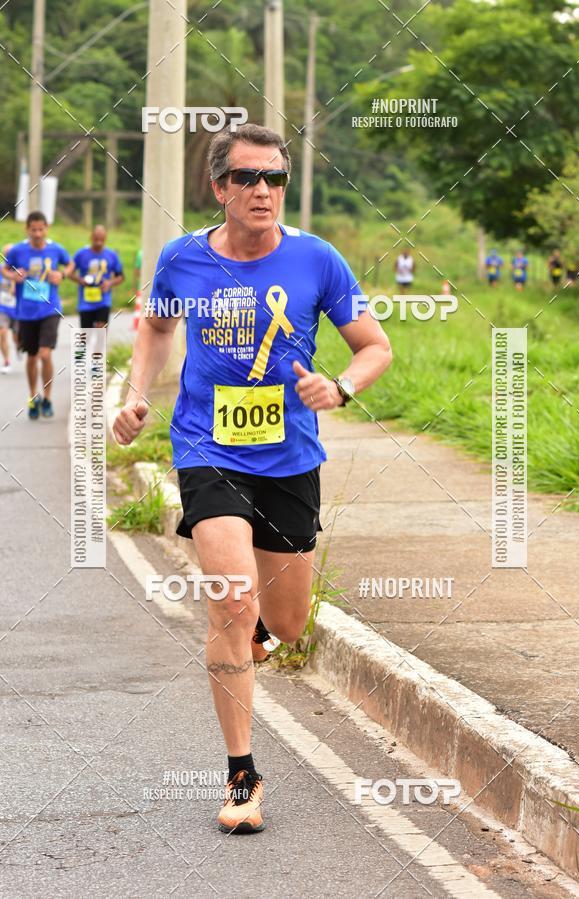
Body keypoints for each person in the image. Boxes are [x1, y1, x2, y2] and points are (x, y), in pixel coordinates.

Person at [113, 123, 392, 835]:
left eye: (275, 178)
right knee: (231, 603)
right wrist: (136, 393)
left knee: (289, 626)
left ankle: (264, 627)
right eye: (247, 178)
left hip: (290, 457)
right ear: (220, 187)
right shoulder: (183, 258)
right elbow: (156, 326)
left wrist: (341, 387)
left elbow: (374, 346)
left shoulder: (316, 259)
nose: (263, 190)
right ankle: (242, 773)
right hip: (207, 447)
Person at [3, 212, 73, 419]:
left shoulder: (56, 249)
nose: (37, 234)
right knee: (32, 357)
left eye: (41, 229)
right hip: (26, 312)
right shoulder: (17, 251)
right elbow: (5, 269)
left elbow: (70, 264)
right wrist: (13, 276)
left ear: (46, 228)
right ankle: (33, 396)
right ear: (27, 229)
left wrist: (62, 274)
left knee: (45, 354)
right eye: (33, 230)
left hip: (50, 309)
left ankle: (48, 398)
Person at [70, 225, 124, 328]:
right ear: (91, 237)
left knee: (101, 331)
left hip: (103, 301)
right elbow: (70, 272)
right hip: (85, 302)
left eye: (101, 240)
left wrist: (109, 283)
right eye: (96, 239)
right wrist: (80, 280)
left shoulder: (111, 255)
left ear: (105, 239)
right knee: (86, 335)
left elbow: (121, 277)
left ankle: (99, 339)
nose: (99, 242)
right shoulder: (81, 254)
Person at [0, 243, 18, 373]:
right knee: (2, 333)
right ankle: (6, 361)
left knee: (18, 337)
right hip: (3, 308)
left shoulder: (22, 268)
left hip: (18, 308)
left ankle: (19, 346)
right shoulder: (1, 269)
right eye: (6, 254)